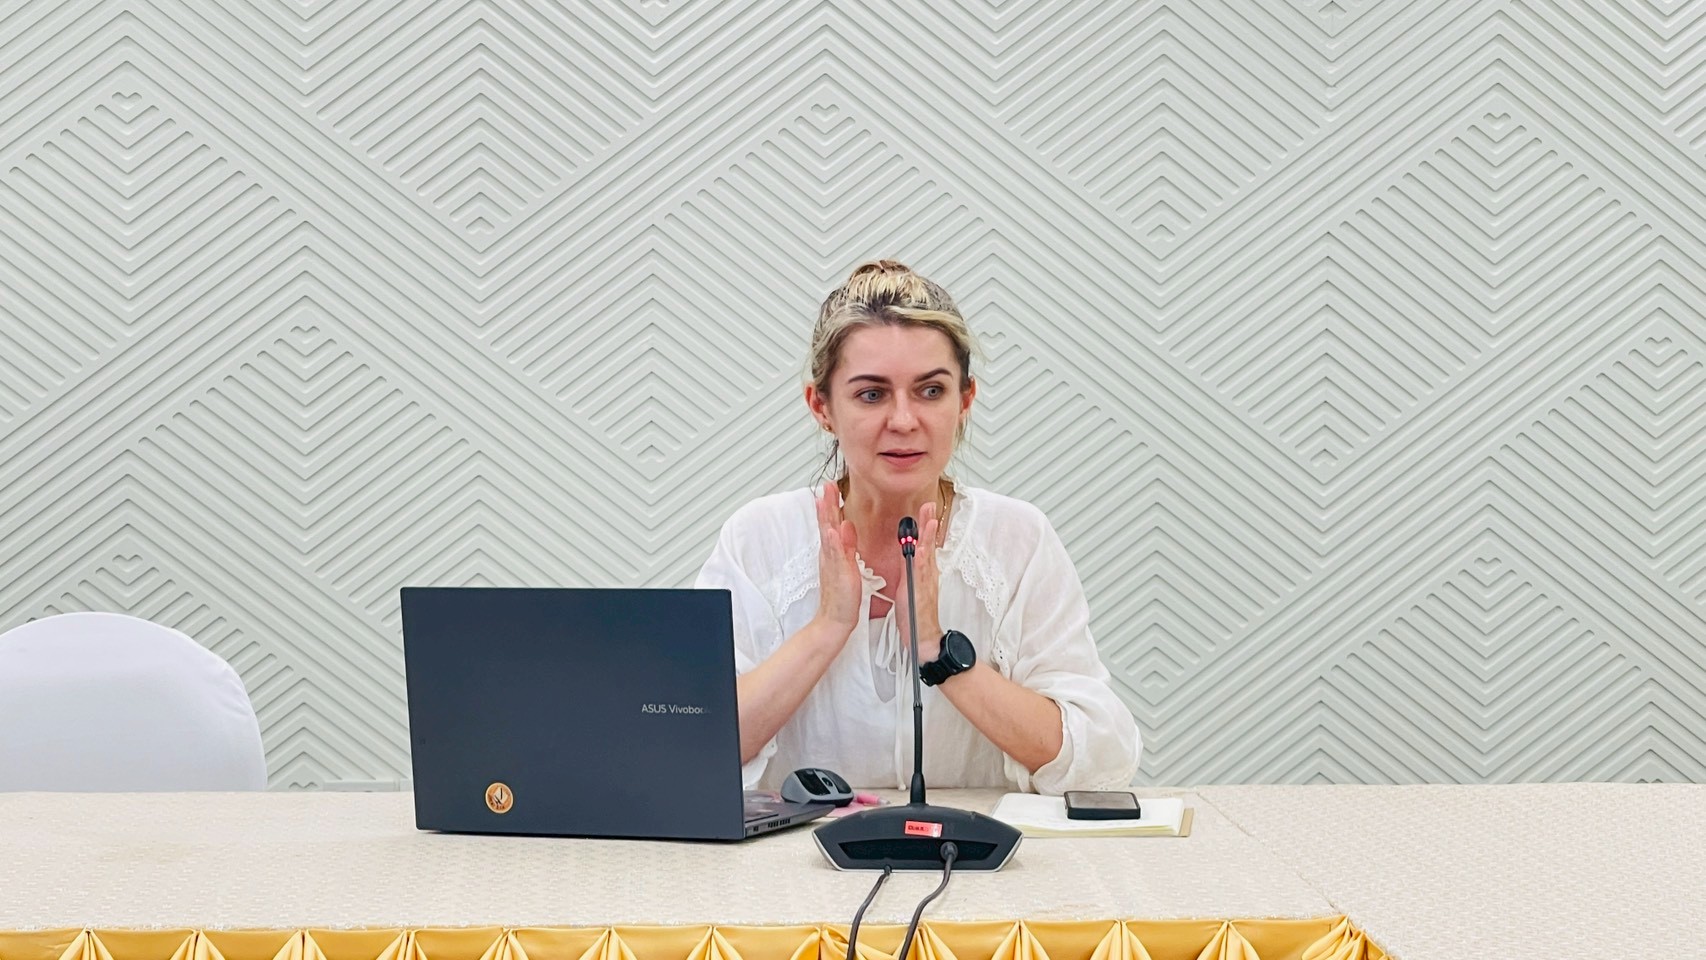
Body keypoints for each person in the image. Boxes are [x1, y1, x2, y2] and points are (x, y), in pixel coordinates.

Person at [696, 260, 1140, 794]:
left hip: (973, 847)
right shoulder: (758, 538)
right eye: (872, 394)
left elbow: (1099, 761)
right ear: (821, 407)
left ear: (965, 400)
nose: (904, 421)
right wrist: (828, 627)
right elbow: (690, 748)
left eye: (931, 391)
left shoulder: (1018, 539)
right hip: (797, 849)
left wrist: (938, 651)